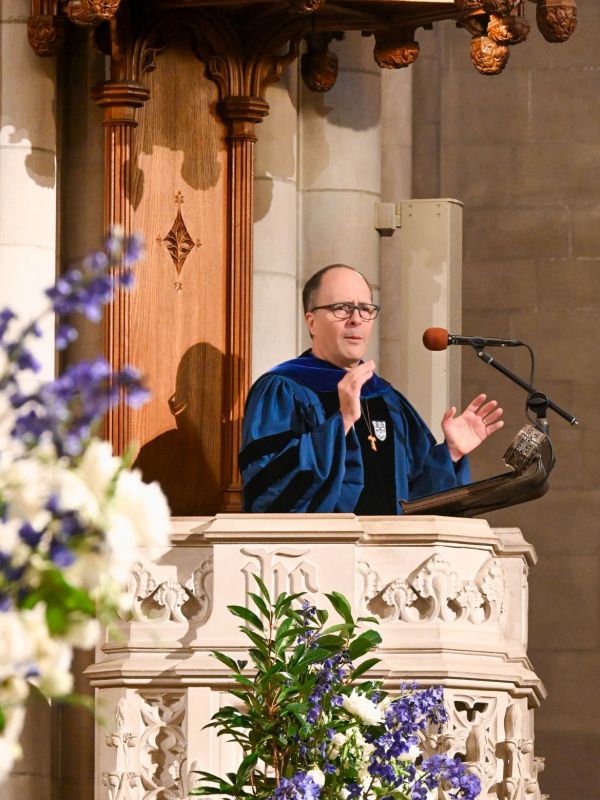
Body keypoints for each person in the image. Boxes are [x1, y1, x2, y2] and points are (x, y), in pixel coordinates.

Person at [240, 264, 503, 514]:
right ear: (311, 322)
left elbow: (413, 501)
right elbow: (268, 491)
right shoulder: (282, 389)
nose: (356, 319)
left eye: (365, 308)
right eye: (341, 308)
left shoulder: (386, 399)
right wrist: (341, 422)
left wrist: (450, 453)